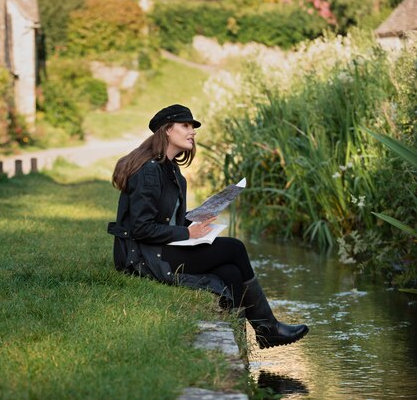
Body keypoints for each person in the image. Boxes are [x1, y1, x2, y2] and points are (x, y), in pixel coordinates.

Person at [107, 104, 309, 349]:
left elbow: (166, 220)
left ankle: (261, 332)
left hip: (160, 248)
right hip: (144, 258)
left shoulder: (171, 171)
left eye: (193, 127)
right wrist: (188, 232)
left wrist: (195, 218)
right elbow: (141, 229)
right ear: (167, 131)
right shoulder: (150, 172)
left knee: (232, 273)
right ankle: (270, 327)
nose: (192, 132)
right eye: (186, 126)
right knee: (234, 248)